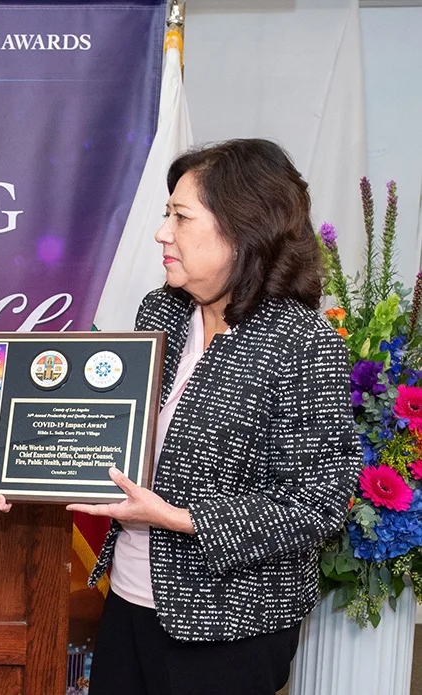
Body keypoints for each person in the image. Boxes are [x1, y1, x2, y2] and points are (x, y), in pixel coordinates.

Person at [67, 139, 361, 694]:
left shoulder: (302, 342)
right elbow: (109, 437)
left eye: (180, 217)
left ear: (242, 229)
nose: (162, 232)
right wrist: (9, 474)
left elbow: (318, 503)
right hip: (129, 599)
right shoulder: (161, 311)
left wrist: (183, 518)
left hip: (231, 626)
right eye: (165, 215)